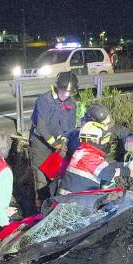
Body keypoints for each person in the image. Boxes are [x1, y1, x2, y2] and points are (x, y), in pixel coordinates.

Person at [29, 72, 78, 204]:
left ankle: (53, 205)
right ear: (57, 87)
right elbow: (41, 126)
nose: (66, 95)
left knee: (56, 177)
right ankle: (40, 207)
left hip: (58, 146)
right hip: (40, 144)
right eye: (63, 91)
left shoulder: (72, 104)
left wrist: (63, 141)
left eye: (69, 92)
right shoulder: (44, 100)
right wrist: (54, 143)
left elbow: (70, 127)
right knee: (41, 179)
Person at [57, 121, 133, 195]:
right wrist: (131, 171)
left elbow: (107, 166)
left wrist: (128, 164)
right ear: (94, 139)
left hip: (72, 198)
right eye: (102, 139)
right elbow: (108, 173)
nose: (104, 142)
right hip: (72, 202)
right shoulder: (88, 155)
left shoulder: (83, 151)